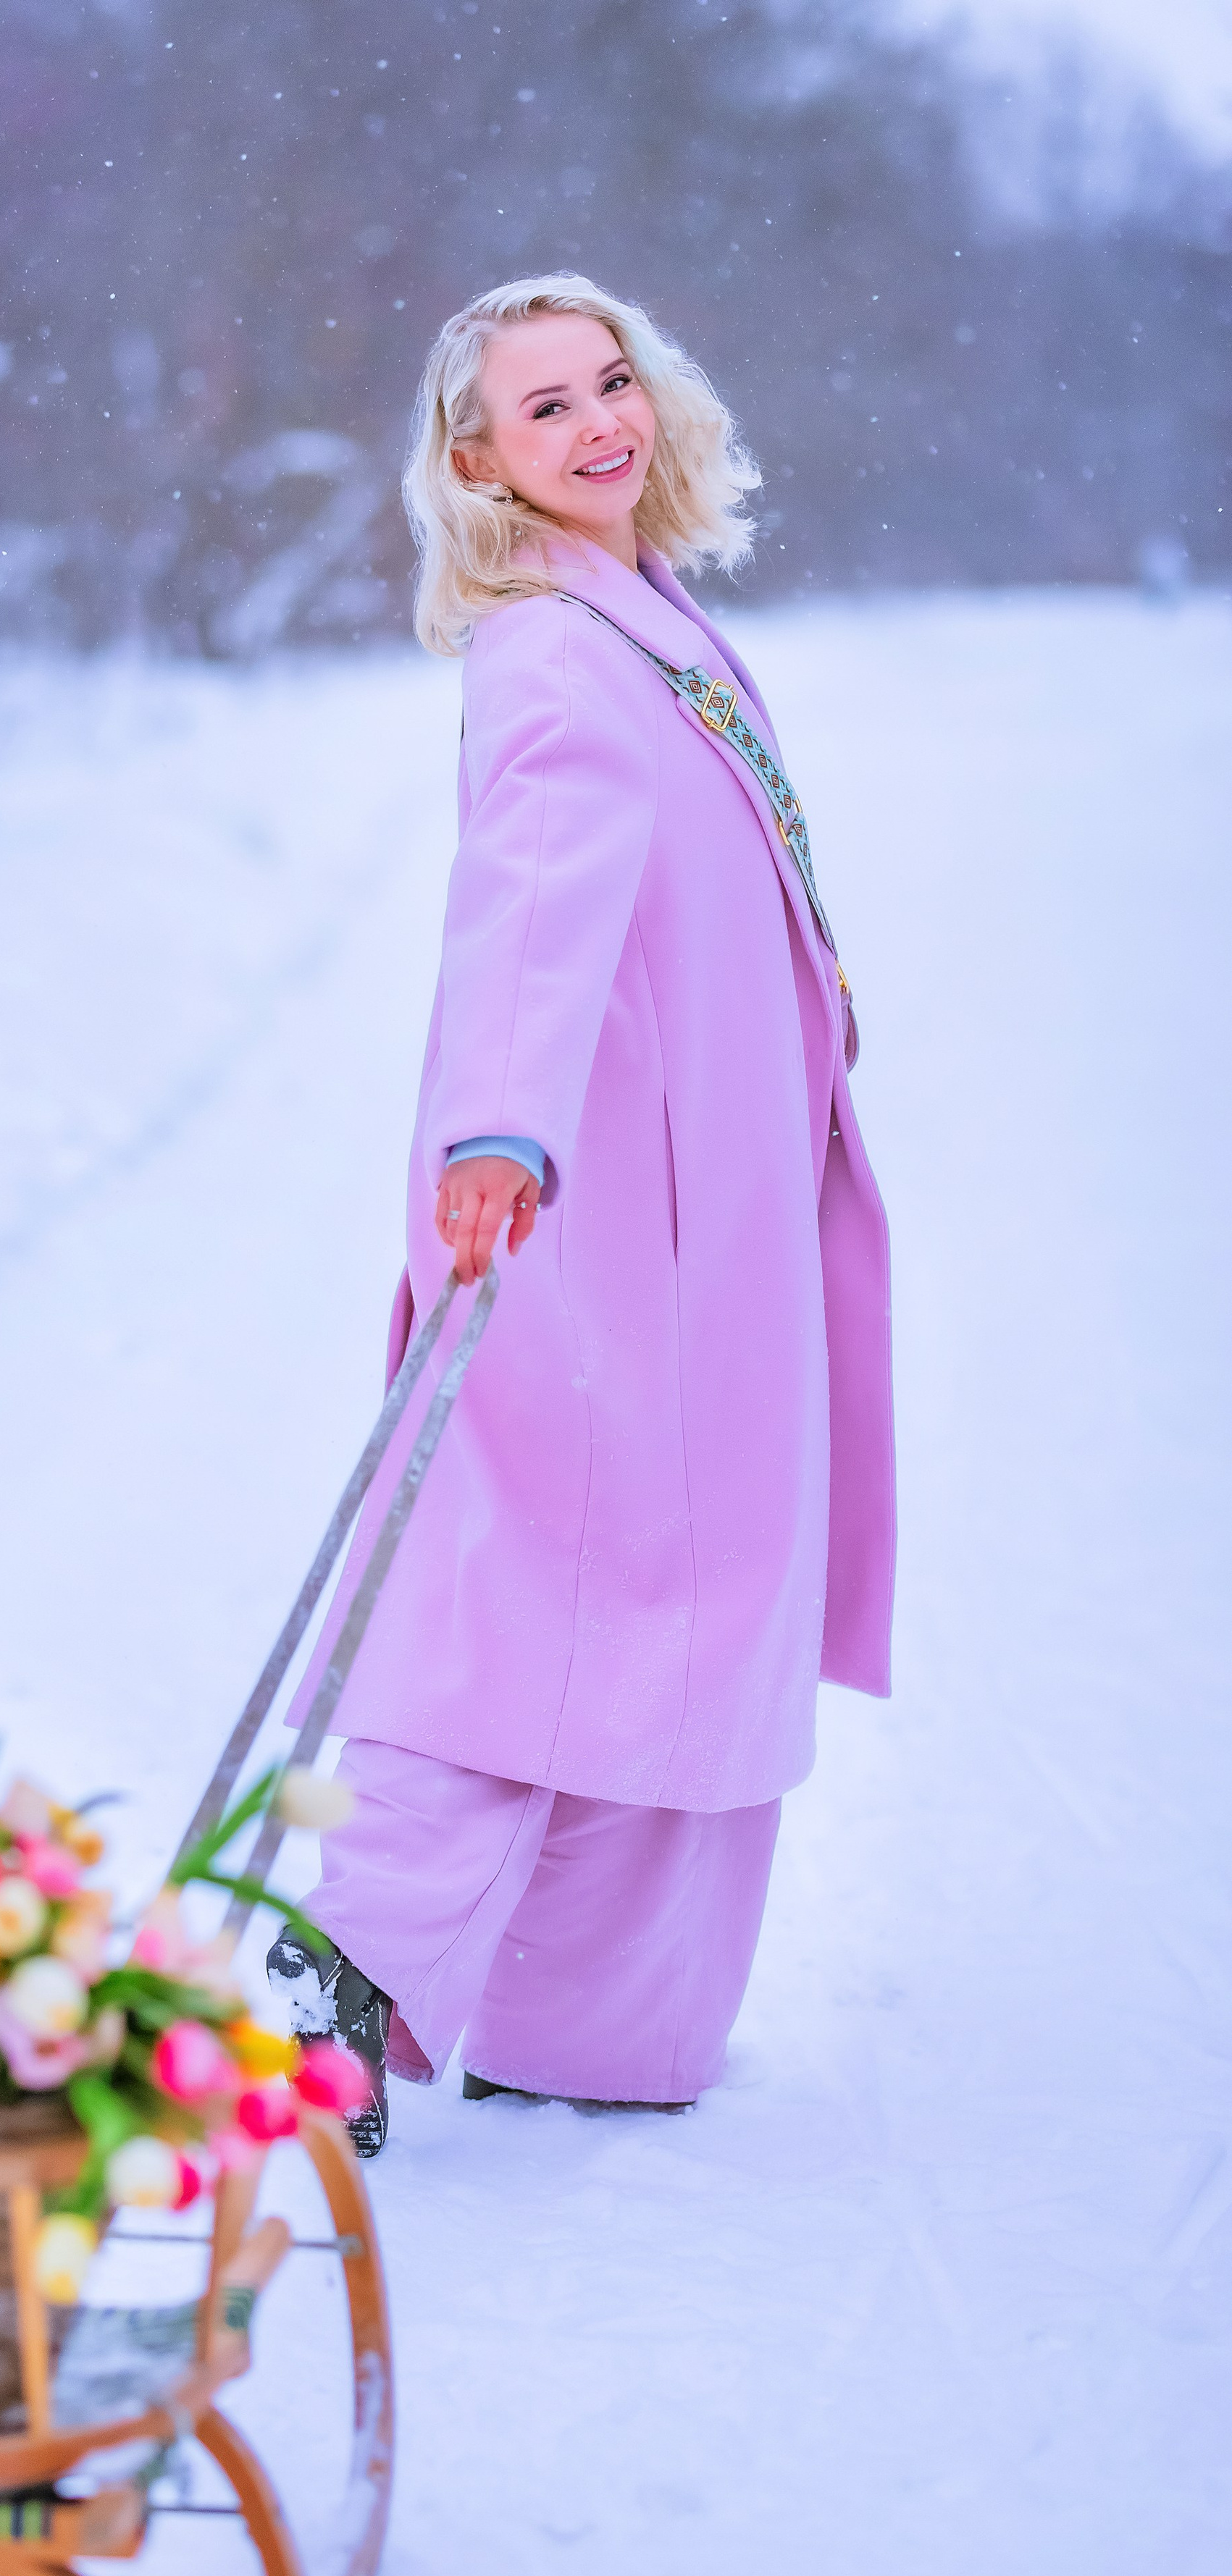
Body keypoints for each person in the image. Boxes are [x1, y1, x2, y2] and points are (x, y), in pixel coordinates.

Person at [269, 274, 894, 2155]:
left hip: (719, 1209)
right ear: (477, 461)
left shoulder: (644, 615)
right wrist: (496, 1132)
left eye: (610, 381)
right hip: (611, 1220)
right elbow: (528, 912)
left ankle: (599, 2021)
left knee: (691, 1605)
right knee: (533, 1583)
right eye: (544, 410)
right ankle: (347, 1982)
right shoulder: (553, 650)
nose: (597, 424)